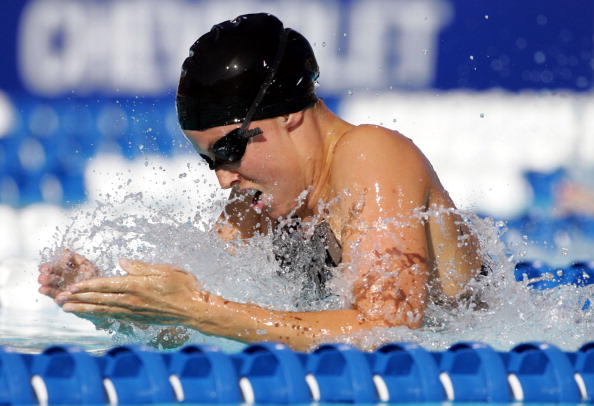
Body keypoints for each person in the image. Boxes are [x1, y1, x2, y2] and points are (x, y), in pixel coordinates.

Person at [38, 13, 484, 351]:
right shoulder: (261, 207)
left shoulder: (370, 154)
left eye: (230, 149)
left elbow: (388, 329)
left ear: (287, 113)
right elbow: (197, 324)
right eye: (209, 161)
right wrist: (115, 304)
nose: (223, 178)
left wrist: (199, 309)